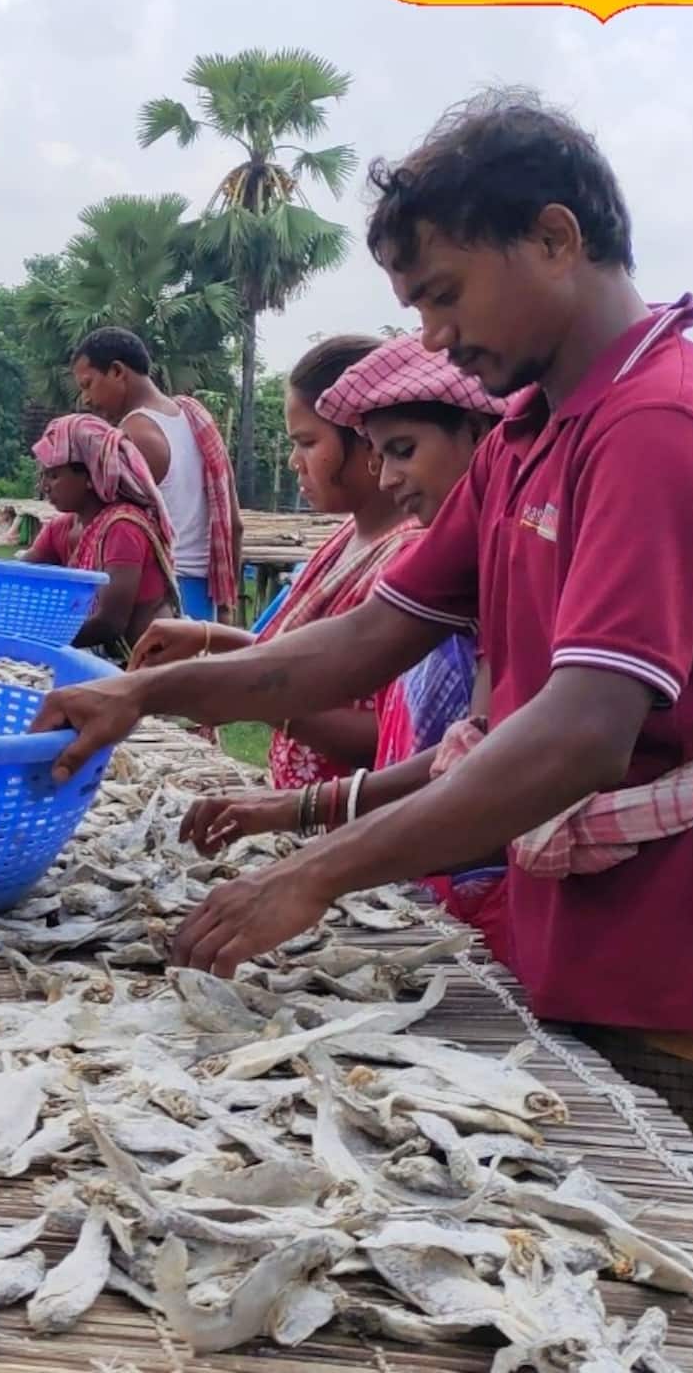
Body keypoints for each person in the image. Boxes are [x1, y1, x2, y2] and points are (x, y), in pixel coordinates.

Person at [31, 91, 693, 1219]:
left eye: (443, 296)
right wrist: (139, 691)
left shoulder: (661, 426)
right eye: (415, 308)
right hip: (565, 932)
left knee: (667, 1276)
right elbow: (352, 645)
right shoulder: (525, 441)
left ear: (554, 237)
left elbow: (581, 732)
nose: (435, 338)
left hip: (687, 961)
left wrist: (314, 868)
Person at [160, 332, 512, 956]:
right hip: (387, 853)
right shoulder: (397, 551)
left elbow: (447, 758)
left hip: (450, 875)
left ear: (483, 437)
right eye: (384, 451)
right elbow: (346, 659)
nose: (387, 471)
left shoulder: (440, 560)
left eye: (401, 450)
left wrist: (301, 822)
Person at [143, 336, 417, 790]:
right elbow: (320, 660)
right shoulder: (350, 535)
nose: (295, 462)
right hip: (295, 806)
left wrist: (249, 698)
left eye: (308, 442)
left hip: (348, 825)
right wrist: (212, 638)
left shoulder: (408, 558)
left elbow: (391, 735)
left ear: (371, 442)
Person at [70, 327, 242, 622]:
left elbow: (106, 532)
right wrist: (226, 606)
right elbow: (234, 524)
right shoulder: (197, 422)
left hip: (156, 600)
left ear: (117, 371)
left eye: (88, 384)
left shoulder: (132, 437)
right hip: (203, 599)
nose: (85, 398)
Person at [17, 414, 180, 662]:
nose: (45, 486)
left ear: (91, 477)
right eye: (44, 476)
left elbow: (109, 624)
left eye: (54, 475)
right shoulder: (63, 528)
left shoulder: (123, 528)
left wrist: (30, 640)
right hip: (107, 659)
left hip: (148, 665)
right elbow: (18, 577)